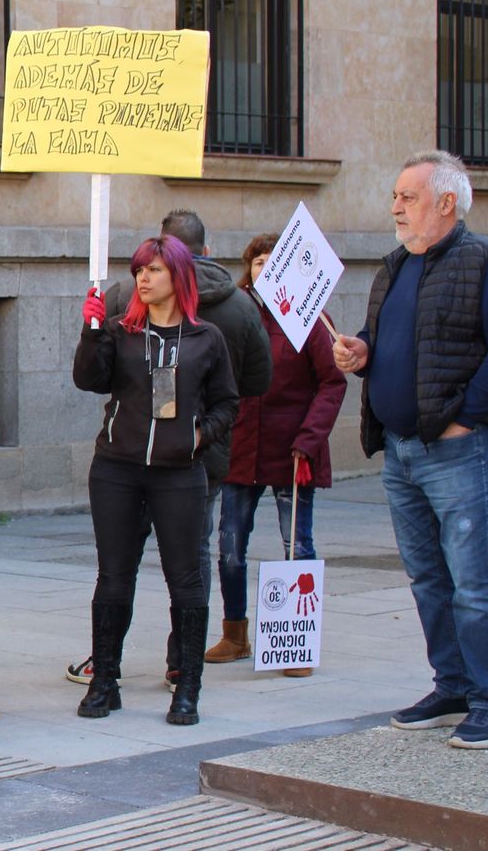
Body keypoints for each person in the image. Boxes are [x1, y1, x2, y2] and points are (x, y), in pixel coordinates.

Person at [334, 151, 488, 751]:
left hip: (460, 452)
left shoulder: (486, 262)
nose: (394, 206)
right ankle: (454, 686)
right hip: (402, 450)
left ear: (446, 203)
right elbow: (389, 339)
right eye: (394, 195)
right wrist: (361, 351)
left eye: (406, 196)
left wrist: (466, 418)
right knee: (427, 578)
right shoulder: (395, 265)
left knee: (473, 579)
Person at [66, 208, 271, 687]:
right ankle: (119, 668)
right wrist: (92, 330)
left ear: (179, 265)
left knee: (186, 568)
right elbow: (91, 378)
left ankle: (184, 673)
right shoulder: (125, 320)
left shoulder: (212, 331)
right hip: (126, 462)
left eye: (152, 267)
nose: (141, 278)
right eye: (139, 269)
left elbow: (236, 396)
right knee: (123, 568)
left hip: (186, 463)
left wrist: (198, 432)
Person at [207, 234, 345, 675]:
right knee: (230, 547)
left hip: (293, 452)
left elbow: (332, 382)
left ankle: (295, 645)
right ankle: (234, 633)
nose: (265, 269)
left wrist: (310, 438)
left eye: (273, 261)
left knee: (296, 547)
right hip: (241, 449)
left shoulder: (308, 317)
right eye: (258, 262)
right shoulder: (235, 313)